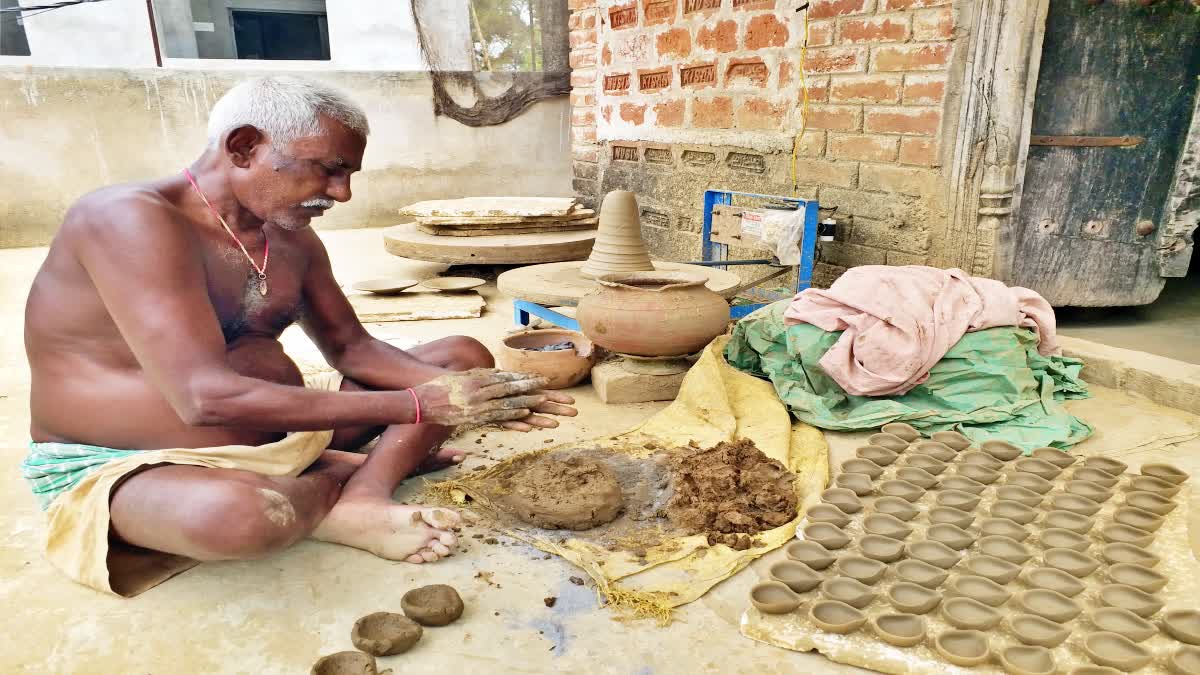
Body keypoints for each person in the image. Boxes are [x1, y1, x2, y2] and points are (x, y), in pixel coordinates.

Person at [20, 75, 575, 596]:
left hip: (289, 437)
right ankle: (343, 478)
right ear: (243, 148)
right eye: (329, 169)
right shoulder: (126, 219)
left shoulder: (290, 239)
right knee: (239, 520)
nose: (344, 192)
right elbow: (202, 397)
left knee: (463, 356)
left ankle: (361, 494)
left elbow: (352, 349)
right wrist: (415, 405)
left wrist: (483, 394)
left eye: (349, 173)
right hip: (134, 463)